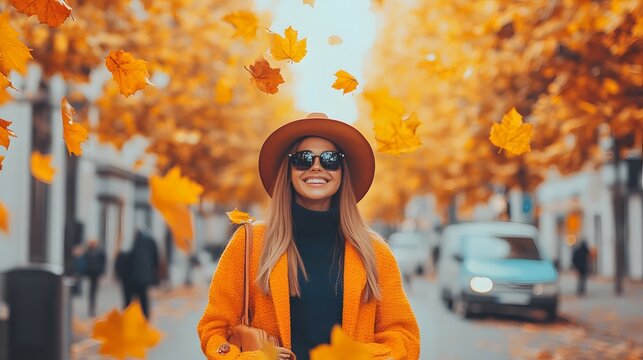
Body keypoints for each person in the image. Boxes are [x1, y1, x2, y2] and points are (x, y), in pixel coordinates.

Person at [197, 113, 420, 360]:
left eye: (330, 159)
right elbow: (214, 329)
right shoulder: (250, 243)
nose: (317, 166)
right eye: (303, 159)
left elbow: (405, 337)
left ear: (342, 171)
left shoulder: (374, 251)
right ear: (289, 170)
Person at [127, 228, 160, 318]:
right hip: (146, 275)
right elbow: (156, 258)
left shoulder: (136, 243)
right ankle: (145, 314)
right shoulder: (150, 241)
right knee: (143, 295)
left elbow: (131, 259)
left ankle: (138, 315)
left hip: (136, 276)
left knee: (136, 296)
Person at [83, 239, 106, 317]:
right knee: (91, 291)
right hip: (90, 273)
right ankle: (91, 307)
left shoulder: (100, 251)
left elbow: (103, 262)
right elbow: (85, 261)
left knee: (94, 291)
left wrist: (102, 272)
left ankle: (93, 308)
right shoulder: (88, 251)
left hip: (96, 273)